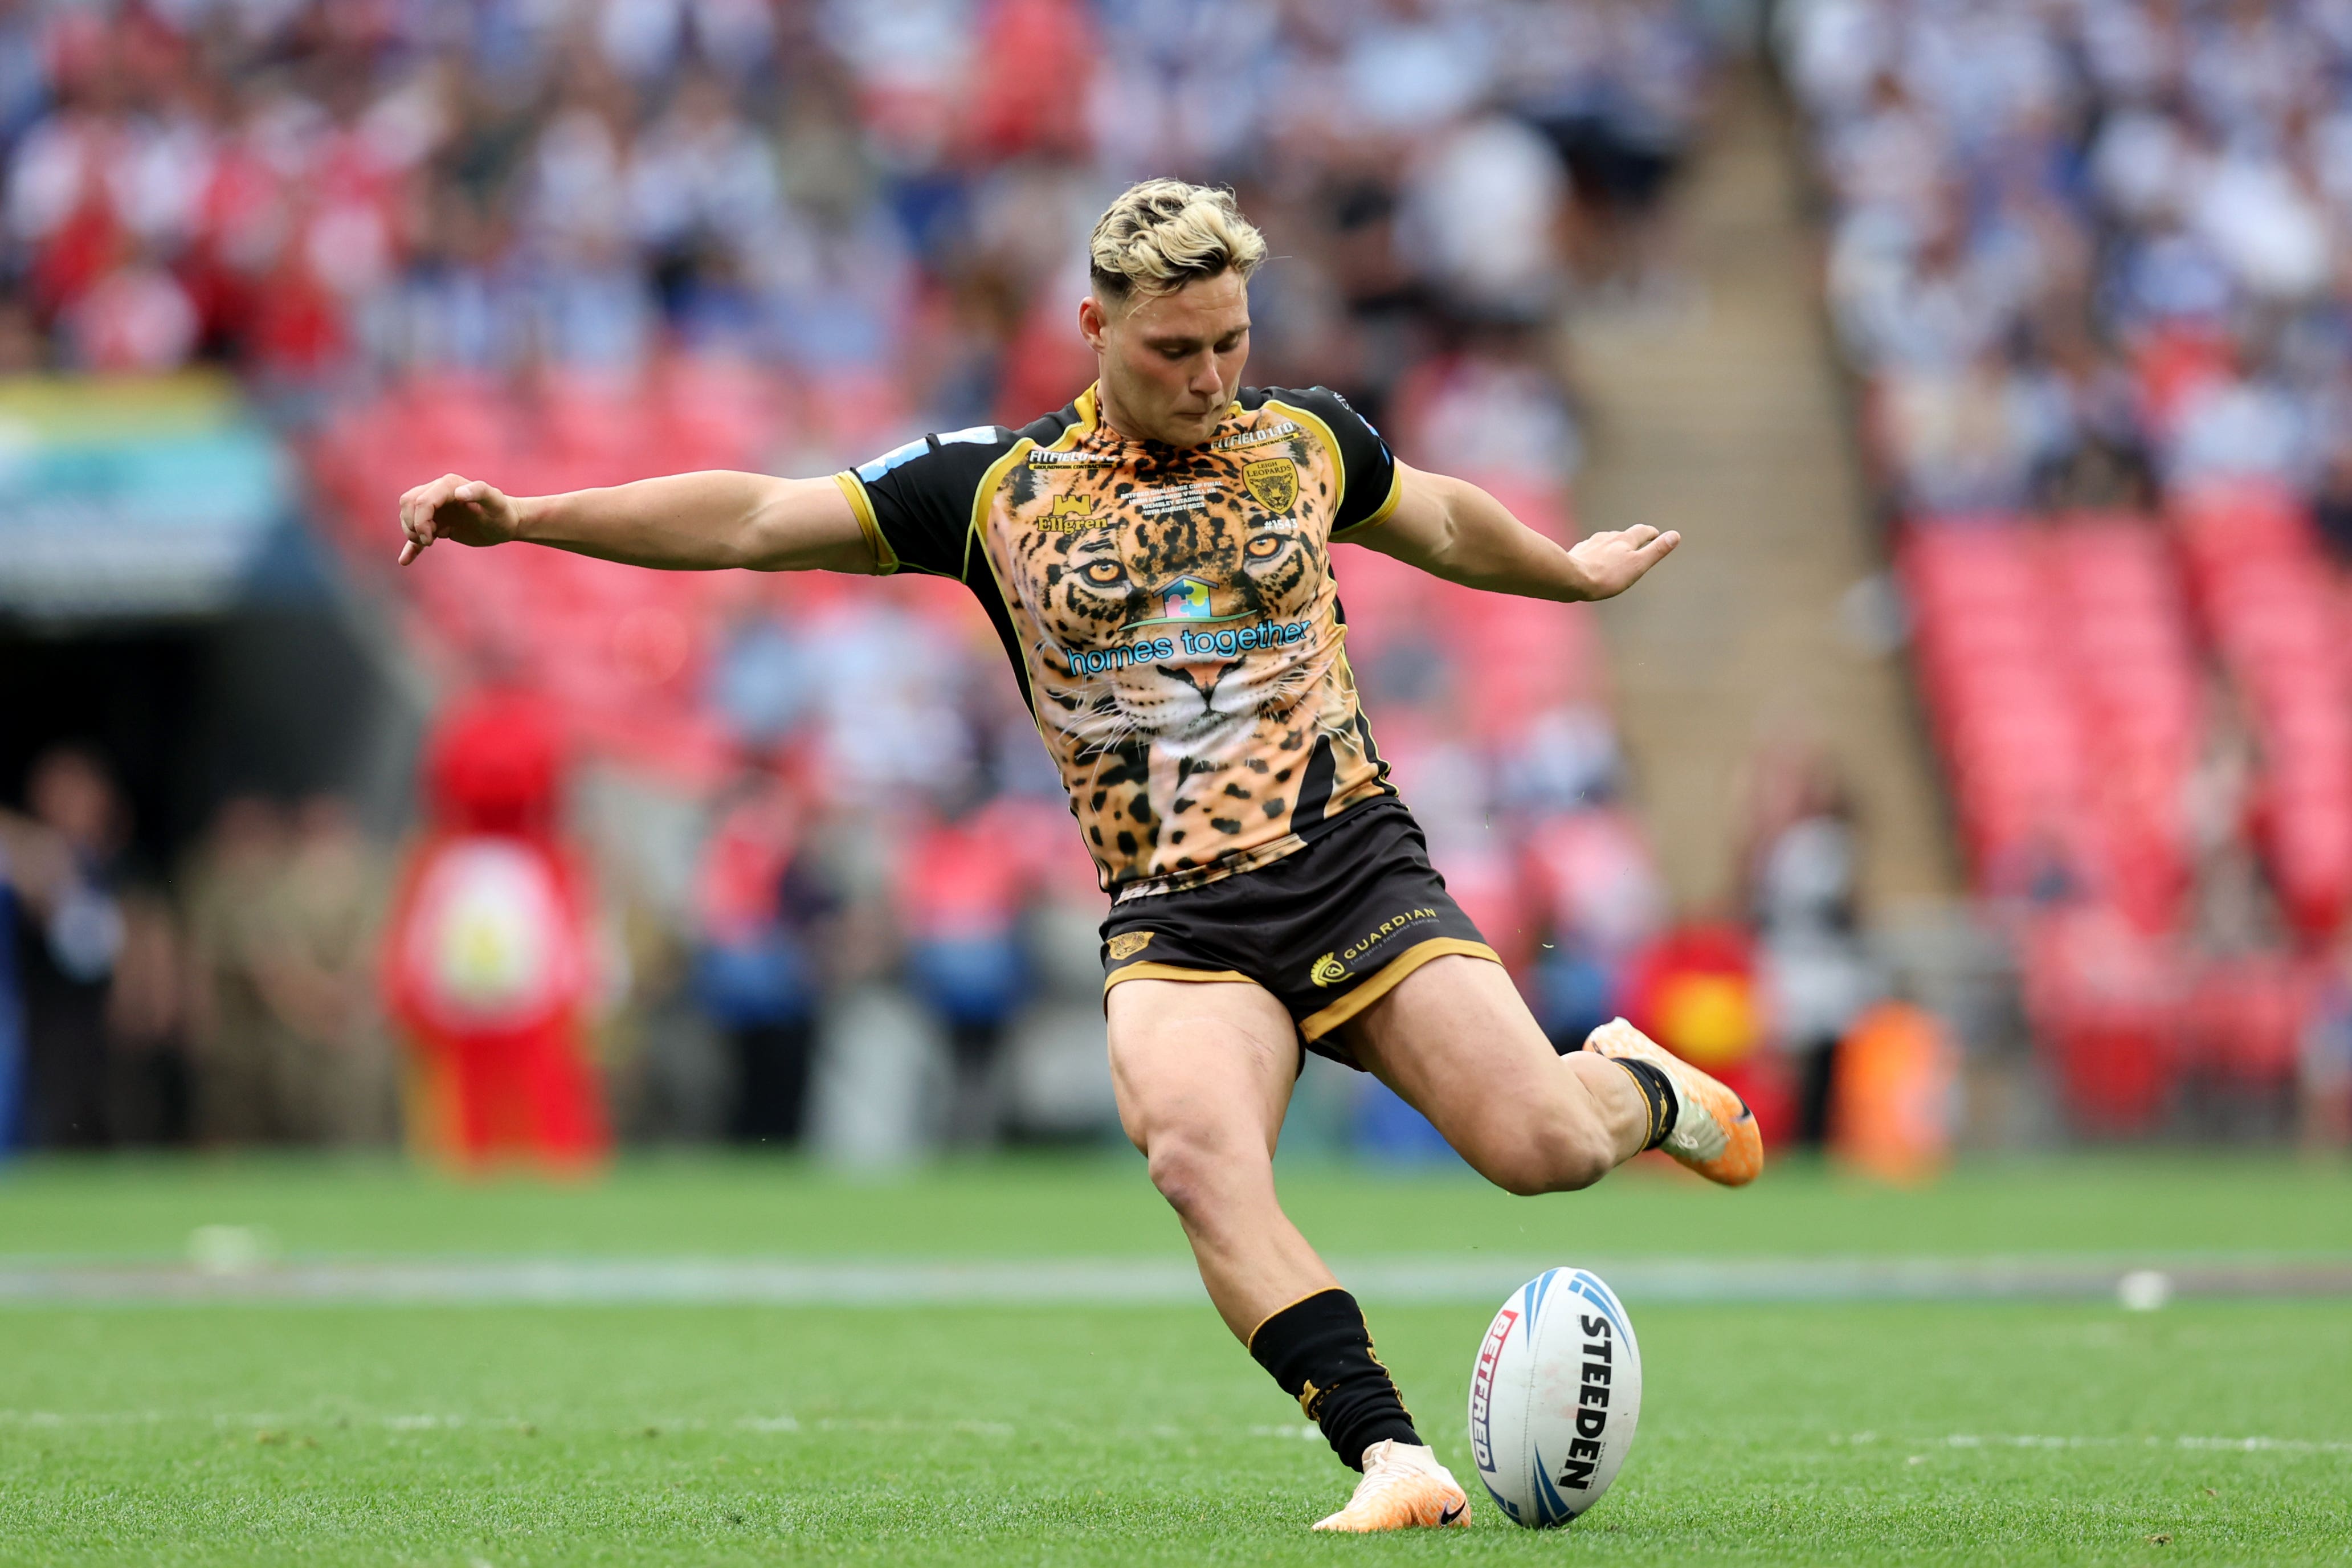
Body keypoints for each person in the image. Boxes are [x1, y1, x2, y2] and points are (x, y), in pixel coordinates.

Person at [395, 180, 1759, 1531]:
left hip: (1352, 868)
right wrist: (524, 515)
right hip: (1175, 919)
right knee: (1194, 1157)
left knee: (1543, 1150)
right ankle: (1388, 1451)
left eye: (1232, 340)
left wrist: (1563, 572)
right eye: (1177, 350)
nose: (1214, 375)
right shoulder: (992, 488)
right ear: (1094, 323)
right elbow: (754, 519)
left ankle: (1629, 1083)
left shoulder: (1309, 440)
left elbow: (1446, 520)